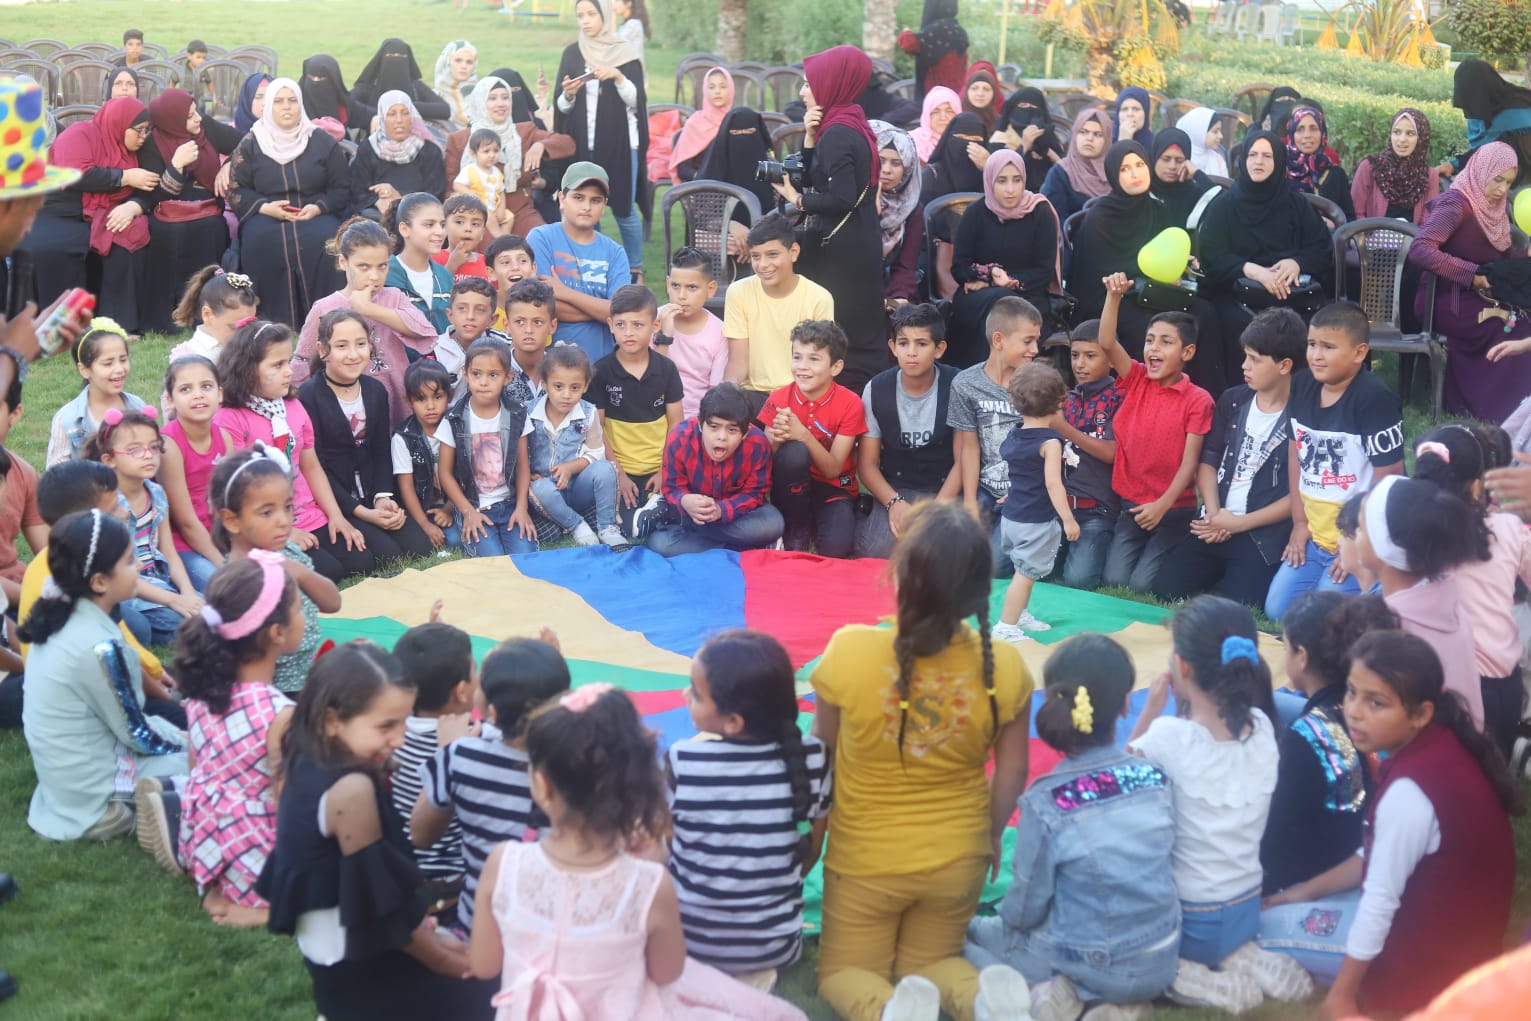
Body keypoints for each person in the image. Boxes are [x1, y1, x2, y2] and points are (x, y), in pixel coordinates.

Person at [811, 500, 1032, 1021]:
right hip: (959, 859)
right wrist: (990, 836)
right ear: (980, 588)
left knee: (843, 973)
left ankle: (890, 1011)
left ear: (898, 573)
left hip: (866, 862)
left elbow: (822, 760)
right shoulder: (1004, 664)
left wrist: (815, 838)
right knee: (933, 962)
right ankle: (984, 1001)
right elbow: (1014, 771)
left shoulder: (848, 651)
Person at [467, 684, 808, 1020]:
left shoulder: (503, 863)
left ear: (542, 785)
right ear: (633, 786)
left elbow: (484, 965)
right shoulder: (648, 883)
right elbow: (667, 972)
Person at [1261, 632, 1519, 1016]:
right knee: (1295, 901)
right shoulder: (1445, 744)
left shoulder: (1410, 791)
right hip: (1453, 940)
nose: (1354, 711)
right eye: (1351, 692)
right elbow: (1374, 854)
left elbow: (1378, 905)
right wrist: (1304, 893)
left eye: (1376, 702)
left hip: (1422, 965)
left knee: (1258, 925)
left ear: (1421, 714)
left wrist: (1343, 996)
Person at [256, 641, 495, 1021]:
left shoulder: (308, 755)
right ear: (332, 720)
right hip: (365, 973)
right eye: (386, 726)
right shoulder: (352, 791)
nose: (399, 738)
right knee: (498, 992)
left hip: (332, 959)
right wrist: (443, 959)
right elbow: (381, 906)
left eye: (403, 721)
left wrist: (430, 936)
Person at [965, 634, 1180, 1017]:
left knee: (953, 942)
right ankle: (1101, 1001)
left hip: (1090, 959)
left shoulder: (1047, 801)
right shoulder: (1155, 776)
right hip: (1162, 954)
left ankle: (1052, 995)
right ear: (1125, 704)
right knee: (986, 929)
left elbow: (1023, 913)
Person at [1127, 597, 1306, 1013]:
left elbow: (1118, 783)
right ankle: (1238, 954)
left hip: (1191, 920)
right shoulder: (1263, 726)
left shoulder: (1167, 737)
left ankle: (1180, 973)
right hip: (1244, 909)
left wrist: (1150, 712)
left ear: (1181, 666)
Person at [669, 631, 831, 985]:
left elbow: (666, 846)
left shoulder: (684, 760)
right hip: (777, 946)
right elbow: (810, 854)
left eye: (696, 693)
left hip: (690, 944)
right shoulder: (814, 758)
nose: (684, 695)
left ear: (733, 721)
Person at [19, 509, 185, 842]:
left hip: (63, 785)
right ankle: (137, 815)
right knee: (214, 761)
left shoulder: (58, 613)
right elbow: (139, 735)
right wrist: (193, 742)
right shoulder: (101, 647)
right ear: (98, 582)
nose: (140, 567)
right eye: (129, 561)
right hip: (92, 793)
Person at [156, 554, 302, 926]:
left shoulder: (202, 694)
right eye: (300, 609)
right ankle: (261, 911)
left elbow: (198, 772)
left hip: (206, 842)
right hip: (257, 854)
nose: (304, 617)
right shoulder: (280, 715)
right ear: (276, 632)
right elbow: (291, 809)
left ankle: (218, 884)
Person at [413, 635, 567, 934]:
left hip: (479, 930)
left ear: (492, 713)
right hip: (552, 934)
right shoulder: (581, 767)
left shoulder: (461, 755)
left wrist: (445, 753)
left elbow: (421, 835)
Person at [1154, 308, 1303, 608]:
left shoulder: (1304, 414)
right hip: (1215, 518)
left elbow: (1299, 493)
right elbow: (1208, 461)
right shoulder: (1233, 400)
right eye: (1245, 356)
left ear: (1284, 365)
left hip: (1259, 531)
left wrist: (1239, 523)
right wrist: (1214, 514)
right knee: (1165, 589)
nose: (1244, 366)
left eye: (1255, 360)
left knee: (1244, 603)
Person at [1265, 301, 1405, 619]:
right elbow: (1295, 453)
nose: (1316, 355)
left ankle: (1378, 579)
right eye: (1312, 344)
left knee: (1323, 619)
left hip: (1357, 536)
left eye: (1328, 347)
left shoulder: (1374, 399)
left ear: (1359, 353)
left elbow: (1389, 477)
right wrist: (1300, 524)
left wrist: (1356, 542)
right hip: (1316, 535)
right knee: (1277, 610)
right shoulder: (1302, 384)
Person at [14, 464, 179, 726]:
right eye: (113, 508)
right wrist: (158, 685)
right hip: (90, 701)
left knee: (189, 681)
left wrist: (155, 670)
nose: (124, 512)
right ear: (82, 522)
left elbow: (120, 634)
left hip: (100, 681)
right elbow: (117, 661)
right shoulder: (81, 577)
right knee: (190, 719)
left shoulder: (61, 558)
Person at [1259, 592, 1393, 900]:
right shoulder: (1362, 710)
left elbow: (1272, 841)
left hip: (1316, 883)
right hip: (1353, 850)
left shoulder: (1304, 738)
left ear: (1302, 657)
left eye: (1286, 647)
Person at [770, 45, 887, 394]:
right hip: (857, 240)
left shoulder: (838, 134)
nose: (802, 92)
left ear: (831, 83)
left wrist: (796, 200)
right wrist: (809, 138)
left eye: (809, 83)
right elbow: (819, 177)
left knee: (839, 333)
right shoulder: (848, 122)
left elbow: (840, 198)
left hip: (842, 251)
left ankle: (837, 406)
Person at [216, 319, 369, 584]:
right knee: (328, 571)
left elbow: (311, 467)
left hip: (307, 512)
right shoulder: (229, 418)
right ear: (247, 369)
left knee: (361, 560)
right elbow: (238, 489)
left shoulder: (293, 407)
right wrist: (287, 532)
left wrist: (336, 516)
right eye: (277, 365)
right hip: (265, 522)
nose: (288, 372)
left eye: (288, 362)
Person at [1414, 423, 1531, 759]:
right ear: (1479, 484)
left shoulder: (1409, 531)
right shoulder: (1508, 528)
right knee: (1489, 769)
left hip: (1434, 681)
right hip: (1499, 686)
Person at [1096, 274, 1215, 594]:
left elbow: (1190, 464)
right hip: (1132, 507)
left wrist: (1162, 505)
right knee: (1116, 580)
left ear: (1187, 352)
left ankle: (1179, 550)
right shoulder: (1136, 378)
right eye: (1150, 340)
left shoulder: (1198, 400)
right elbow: (1106, 343)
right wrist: (1113, 296)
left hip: (1173, 510)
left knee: (1141, 584)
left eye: (1166, 342)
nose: (1154, 348)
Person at [298, 308, 435, 565]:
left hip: (371, 492)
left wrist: (382, 498)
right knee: (385, 556)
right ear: (322, 349)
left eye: (360, 344)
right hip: (338, 500)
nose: (353, 354)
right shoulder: (309, 396)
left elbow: (381, 451)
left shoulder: (375, 390)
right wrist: (361, 512)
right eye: (341, 346)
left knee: (419, 548)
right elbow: (317, 466)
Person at [1411, 141, 1531, 422]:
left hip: (1476, 297)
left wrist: (1524, 253)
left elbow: (1497, 255)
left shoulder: (1494, 206)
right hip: (1444, 300)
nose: (1502, 189)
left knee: (1522, 321)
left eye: (1508, 182)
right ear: (1481, 170)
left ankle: (1519, 409)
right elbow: (1420, 249)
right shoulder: (1456, 204)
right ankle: (1492, 409)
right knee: (1507, 326)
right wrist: (1471, 273)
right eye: (1497, 179)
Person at [1356, 475, 1487, 729]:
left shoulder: (1387, 627)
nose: (1355, 536)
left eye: (1360, 529)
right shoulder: (1447, 598)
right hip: (1466, 740)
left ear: (1382, 547)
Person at [208, 445, 341, 694]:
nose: (283, 520)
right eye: (267, 512)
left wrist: (300, 573)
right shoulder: (238, 580)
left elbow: (333, 603)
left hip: (310, 673)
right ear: (232, 520)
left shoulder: (288, 552)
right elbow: (240, 662)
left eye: (288, 507)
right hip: (274, 691)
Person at [293, 217, 438, 428]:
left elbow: (424, 331)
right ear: (344, 262)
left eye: (382, 266)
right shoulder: (324, 308)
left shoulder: (394, 297)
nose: (374, 276)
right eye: (364, 267)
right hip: (348, 409)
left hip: (398, 399)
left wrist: (369, 309)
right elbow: (302, 361)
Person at [228, 78, 350, 329]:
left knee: (326, 240)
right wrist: (265, 207)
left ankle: (328, 316)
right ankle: (271, 320)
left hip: (314, 212)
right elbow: (237, 189)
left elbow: (342, 187)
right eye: (279, 101)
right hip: (267, 213)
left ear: (300, 104)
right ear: (269, 106)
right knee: (258, 240)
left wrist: (318, 207)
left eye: (292, 101)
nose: (286, 107)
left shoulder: (321, 141)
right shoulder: (252, 143)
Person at [29, 98, 158, 335]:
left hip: (103, 211)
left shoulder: (136, 150)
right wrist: (123, 177)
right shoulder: (80, 133)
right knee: (54, 246)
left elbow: (150, 185)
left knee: (129, 235)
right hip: (59, 207)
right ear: (120, 124)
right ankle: (61, 327)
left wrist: (134, 206)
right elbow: (75, 174)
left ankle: (118, 323)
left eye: (147, 130)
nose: (143, 137)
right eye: (139, 130)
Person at [1197, 132, 1333, 346]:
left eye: (1267, 156)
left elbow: (1321, 247)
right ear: (1244, 159)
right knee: (1234, 323)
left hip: (1291, 295)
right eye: (1252, 155)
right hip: (1236, 295)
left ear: (1278, 161)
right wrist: (1251, 270)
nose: (1258, 161)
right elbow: (1211, 256)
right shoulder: (1224, 205)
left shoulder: (1296, 205)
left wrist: (1297, 263)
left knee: (1308, 325)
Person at [85, 408, 203, 646]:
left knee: (210, 610)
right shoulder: (107, 504)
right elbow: (115, 571)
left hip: (158, 580)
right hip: (126, 588)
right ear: (109, 460)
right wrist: (172, 600)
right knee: (191, 627)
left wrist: (187, 591)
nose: (148, 455)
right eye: (135, 450)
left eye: (154, 447)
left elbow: (169, 552)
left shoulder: (157, 493)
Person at [855, 303, 960, 559]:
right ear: (893, 347)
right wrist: (894, 503)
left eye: (921, 344)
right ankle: (868, 511)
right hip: (897, 488)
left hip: (945, 487)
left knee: (943, 552)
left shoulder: (958, 386)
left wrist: (937, 510)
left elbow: (963, 461)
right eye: (903, 343)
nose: (911, 352)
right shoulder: (876, 389)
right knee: (875, 550)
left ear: (939, 349)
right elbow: (867, 464)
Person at [555, 0, 649, 281]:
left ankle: (635, 269)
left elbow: (637, 101)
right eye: (580, 15)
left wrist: (618, 76)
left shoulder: (624, 52)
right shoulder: (573, 53)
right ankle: (592, 266)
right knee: (586, 208)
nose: (585, 20)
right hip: (585, 143)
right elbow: (561, 107)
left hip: (622, 144)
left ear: (605, 15)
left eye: (591, 14)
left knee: (624, 209)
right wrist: (569, 94)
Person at [761, 320, 866, 558]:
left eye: (814, 359)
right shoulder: (779, 398)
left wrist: (803, 435)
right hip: (790, 486)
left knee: (836, 548)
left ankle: (842, 513)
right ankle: (797, 525)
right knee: (794, 452)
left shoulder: (851, 403)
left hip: (833, 486)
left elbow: (833, 469)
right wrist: (775, 440)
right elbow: (765, 461)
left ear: (835, 367)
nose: (802, 367)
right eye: (797, 357)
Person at [950, 296, 1040, 575]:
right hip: (985, 489)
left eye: (1036, 341)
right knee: (958, 553)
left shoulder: (1037, 383)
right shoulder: (965, 384)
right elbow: (969, 448)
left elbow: (1044, 447)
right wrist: (969, 503)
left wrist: (1021, 491)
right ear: (999, 339)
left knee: (992, 566)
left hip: (1025, 491)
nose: (1035, 349)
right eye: (1028, 341)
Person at [141, 89, 243, 335]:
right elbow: (155, 196)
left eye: (197, 112)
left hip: (207, 210)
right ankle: (167, 318)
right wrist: (177, 165)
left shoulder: (206, 129)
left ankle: (205, 312)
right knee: (164, 233)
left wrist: (227, 165)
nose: (198, 118)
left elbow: (245, 142)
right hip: (167, 213)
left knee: (210, 228)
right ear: (172, 120)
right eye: (189, 116)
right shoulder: (153, 143)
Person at [947, 149, 1059, 368]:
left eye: (1017, 180)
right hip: (979, 298)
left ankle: (991, 375)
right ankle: (980, 376)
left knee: (1006, 304)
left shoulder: (1040, 212)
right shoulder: (975, 213)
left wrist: (1009, 281)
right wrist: (990, 275)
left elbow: (1044, 271)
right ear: (990, 181)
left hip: (1027, 295)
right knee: (999, 303)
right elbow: (959, 267)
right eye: (1001, 181)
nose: (1010, 189)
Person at [992, 363, 1078, 644]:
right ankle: (1006, 627)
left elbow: (1020, 471)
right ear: (1059, 404)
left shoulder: (1015, 433)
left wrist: (1015, 493)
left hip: (1011, 518)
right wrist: (1068, 519)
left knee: (1023, 571)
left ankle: (1020, 614)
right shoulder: (1050, 442)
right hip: (1034, 522)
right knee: (1024, 575)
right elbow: (1053, 484)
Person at [390, 620, 477, 893]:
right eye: (475, 671)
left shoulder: (390, 733)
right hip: (448, 878)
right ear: (461, 692)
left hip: (398, 865)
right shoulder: (471, 744)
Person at [592, 285, 684, 539]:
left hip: (660, 466)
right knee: (627, 528)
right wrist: (618, 474)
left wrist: (665, 469)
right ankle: (656, 512)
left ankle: (662, 507)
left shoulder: (666, 369)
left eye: (638, 325)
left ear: (655, 326)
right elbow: (597, 430)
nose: (628, 332)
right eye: (621, 325)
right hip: (622, 470)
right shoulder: (601, 372)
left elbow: (677, 424)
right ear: (610, 325)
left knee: (688, 509)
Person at [648, 383, 782, 556]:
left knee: (773, 524)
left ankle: (697, 536)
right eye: (714, 427)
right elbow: (672, 487)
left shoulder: (758, 444)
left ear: (745, 433)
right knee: (660, 544)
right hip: (693, 514)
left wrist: (721, 510)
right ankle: (747, 547)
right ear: (700, 424)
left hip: (735, 516)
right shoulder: (680, 438)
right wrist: (685, 501)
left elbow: (754, 494)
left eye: (732, 430)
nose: (721, 437)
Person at [723, 213, 834, 418]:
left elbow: (818, 366)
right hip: (753, 396)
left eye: (772, 254)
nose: (763, 264)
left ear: (793, 252)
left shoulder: (819, 298)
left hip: (800, 396)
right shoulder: (738, 292)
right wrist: (726, 399)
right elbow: (737, 363)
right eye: (756, 256)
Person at [437, 338, 538, 557]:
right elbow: (444, 473)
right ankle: (462, 527)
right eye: (476, 374)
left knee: (524, 558)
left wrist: (522, 508)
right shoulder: (453, 420)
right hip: (473, 505)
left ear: (508, 377)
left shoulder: (518, 415)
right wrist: (467, 512)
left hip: (509, 504)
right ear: (465, 374)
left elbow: (523, 466)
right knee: (492, 561)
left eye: (493, 375)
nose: (483, 382)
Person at [445, 75, 574, 236]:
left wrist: (540, 145)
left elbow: (568, 143)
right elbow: (450, 190)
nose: (500, 103)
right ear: (480, 102)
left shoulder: (524, 131)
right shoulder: (460, 140)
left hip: (520, 210)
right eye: (492, 98)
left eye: (505, 97)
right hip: (477, 215)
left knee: (543, 240)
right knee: (490, 247)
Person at [1049, 320, 1124, 590]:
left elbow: (1112, 453)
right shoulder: (1066, 399)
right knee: (1033, 568)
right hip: (1058, 507)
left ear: (1112, 359)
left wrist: (1065, 429)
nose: (1080, 364)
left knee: (1078, 580)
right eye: (1075, 355)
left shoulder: (1119, 399)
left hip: (1097, 510)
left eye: (1090, 356)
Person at [526, 344, 625, 547]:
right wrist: (527, 473)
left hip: (577, 486)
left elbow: (596, 452)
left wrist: (571, 467)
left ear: (585, 386)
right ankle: (577, 525)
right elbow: (519, 452)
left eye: (575, 387)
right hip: (545, 489)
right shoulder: (529, 413)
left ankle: (607, 527)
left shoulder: (588, 413)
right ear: (544, 383)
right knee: (540, 488)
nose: (566, 395)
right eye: (558, 386)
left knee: (606, 468)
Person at [528, 162, 629, 357]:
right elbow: (542, 307)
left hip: (602, 362)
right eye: (578, 198)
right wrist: (603, 311)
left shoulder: (615, 252)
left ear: (604, 205)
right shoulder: (541, 238)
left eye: (595, 200)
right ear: (561, 199)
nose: (586, 207)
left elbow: (621, 314)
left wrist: (565, 293)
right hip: (552, 361)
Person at [161, 356, 231, 592]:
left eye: (206, 386)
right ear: (170, 400)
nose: (198, 395)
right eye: (186, 389)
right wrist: (224, 564)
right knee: (228, 586)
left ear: (219, 394)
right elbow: (186, 523)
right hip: (183, 545)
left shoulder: (224, 438)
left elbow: (227, 500)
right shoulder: (169, 446)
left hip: (218, 535)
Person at [46, 320, 149, 468]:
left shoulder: (137, 405)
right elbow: (56, 474)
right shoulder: (68, 419)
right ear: (84, 370)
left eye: (123, 359)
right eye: (108, 363)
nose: (119, 369)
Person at [392, 360, 458, 552]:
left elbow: (467, 475)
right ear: (408, 401)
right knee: (434, 540)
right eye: (421, 399)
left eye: (437, 397)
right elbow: (406, 487)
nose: (430, 406)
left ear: (449, 396)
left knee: (455, 540)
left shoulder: (457, 426)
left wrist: (449, 509)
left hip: (455, 503)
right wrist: (424, 524)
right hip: (422, 509)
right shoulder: (403, 437)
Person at [350, 92, 447, 222]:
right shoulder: (369, 148)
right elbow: (358, 191)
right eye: (391, 114)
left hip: (418, 217)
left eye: (405, 113)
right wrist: (377, 201)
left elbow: (435, 195)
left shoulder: (429, 151)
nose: (399, 120)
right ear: (382, 117)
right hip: (375, 217)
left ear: (412, 116)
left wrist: (400, 198)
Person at [655, 246, 725, 419]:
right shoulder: (653, 319)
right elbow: (649, 378)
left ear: (710, 289)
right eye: (675, 286)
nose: (681, 295)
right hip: (654, 414)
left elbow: (715, 392)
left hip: (697, 418)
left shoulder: (720, 332)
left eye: (692, 287)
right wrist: (665, 337)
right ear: (667, 284)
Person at [1446, 58, 1531, 176]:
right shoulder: (1486, 107)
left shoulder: (1516, 114)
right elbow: (1482, 151)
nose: (1469, 112)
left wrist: (1456, 165)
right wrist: (1453, 164)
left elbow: (1487, 152)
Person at [384, 193, 455, 334]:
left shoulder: (444, 276)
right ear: (404, 229)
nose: (440, 232)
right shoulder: (384, 274)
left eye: (442, 225)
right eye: (429, 225)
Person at [1351, 109, 1438, 223]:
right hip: (1370, 233)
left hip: (1413, 235)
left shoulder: (1428, 176)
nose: (1402, 140)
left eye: (1410, 133)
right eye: (1397, 132)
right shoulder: (1370, 167)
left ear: (1421, 138)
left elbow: (1427, 222)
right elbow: (1356, 213)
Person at [872, 120, 925, 305]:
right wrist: (872, 212)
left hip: (891, 287)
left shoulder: (912, 208)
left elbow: (905, 266)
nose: (886, 170)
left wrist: (899, 298)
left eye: (896, 163)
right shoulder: (856, 198)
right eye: (881, 161)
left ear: (907, 168)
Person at [349, 39, 452, 131]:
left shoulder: (415, 86)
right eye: (391, 56)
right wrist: (377, 114)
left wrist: (407, 107)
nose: (396, 60)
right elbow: (348, 105)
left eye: (401, 56)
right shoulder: (369, 87)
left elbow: (444, 109)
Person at [168, 268, 258, 368]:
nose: (245, 335)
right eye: (234, 328)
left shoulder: (250, 349)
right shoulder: (188, 358)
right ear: (207, 314)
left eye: (250, 326)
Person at [437, 277, 506, 399]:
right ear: (450, 315)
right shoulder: (434, 350)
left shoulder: (504, 345)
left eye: (480, 310)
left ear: (492, 319)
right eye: (462, 308)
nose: (470, 316)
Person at [1041, 110, 1112, 227]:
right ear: (1075, 135)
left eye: (1098, 134)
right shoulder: (1060, 173)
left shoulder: (1115, 172)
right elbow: (1054, 221)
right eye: (1083, 132)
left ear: (1107, 140)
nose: (1089, 138)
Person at [669, 67, 733, 183]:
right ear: (705, 90)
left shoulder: (737, 122)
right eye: (711, 87)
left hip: (735, 187)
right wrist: (703, 177)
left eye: (723, 87)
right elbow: (682, 169)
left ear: (731, 90)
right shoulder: (695, 123)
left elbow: (753, 160)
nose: (717, 91)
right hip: (703, 187)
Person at [992, 87, 1064, 191]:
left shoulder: (1049, 136)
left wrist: (1047, 151)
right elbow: (999, 172)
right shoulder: (1001, 137)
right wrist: (1024, 146)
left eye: (1034, 106)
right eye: (1023, 105)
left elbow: (1065, 173)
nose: (1028, 110)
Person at [1150, 126, 1219, 230]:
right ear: (1154, 158)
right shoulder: (1143, 190)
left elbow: (1224, 207)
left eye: (1179, 160)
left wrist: (1197, 174)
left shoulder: (1193, 194)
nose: (1172, 166)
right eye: (1166, 159)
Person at [898, 0, 969, 100]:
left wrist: (906, 32)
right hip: (956, 95)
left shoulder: (934, 31)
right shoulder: (959, 31)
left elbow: (908, 44)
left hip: (935, 97)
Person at [502, 277, 557, 401]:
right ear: (507, 325)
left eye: (537, 322)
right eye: (519, 322)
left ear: (552, 326)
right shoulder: (495, 373)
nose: (528, 330)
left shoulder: (563, 373)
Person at [452, 129, 508, 235]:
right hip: (475, 208)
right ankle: (498, 236)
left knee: (509, 218)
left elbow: (501, 192)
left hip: (493, 208)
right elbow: (457, 185)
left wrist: (501, 209)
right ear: (473, 153)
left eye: (496, 151)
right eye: (486, 151)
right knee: (489, 216)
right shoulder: (470, 170)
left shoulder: (497, 172)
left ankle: (506, 238)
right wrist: (470, 193)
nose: (492, 155)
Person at [433, 194, 490, 282]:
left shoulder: (489, 264)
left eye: (475, 224)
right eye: (459, 222)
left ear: (483, 232)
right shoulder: (433, 259)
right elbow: (431, 289)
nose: (468, 228)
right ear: (444, 226)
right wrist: (452, 266)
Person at [298, 55, 353, 135]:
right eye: (311, 78)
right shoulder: (296, 107)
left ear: (333, 80)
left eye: (321, 79)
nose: (315, 82)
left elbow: (366, 115)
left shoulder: (344, 103)